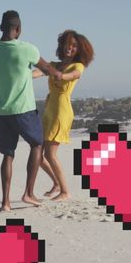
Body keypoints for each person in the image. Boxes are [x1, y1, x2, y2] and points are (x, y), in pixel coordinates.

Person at [0, 10, 63, 212]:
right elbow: (48, 69)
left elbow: (12, 73)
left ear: (0, 27)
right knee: (37, 145)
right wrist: (59, 73)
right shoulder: (27, 49)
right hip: (23, 110)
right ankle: (29, 193)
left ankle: (5, 203)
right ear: (18, 29)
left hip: (0, 111)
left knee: (8, 154)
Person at [35, 30, 94, 201]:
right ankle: (57, 184)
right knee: (37, 155)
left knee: (50, 154)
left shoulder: (78, 66)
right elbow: (39, 72)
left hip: (62, 110)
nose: (70, 48)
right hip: (49, 109)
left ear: (79, 50)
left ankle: (65, 191)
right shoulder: (55, 64)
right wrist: (22, 76)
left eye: (74, 46)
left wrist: (60, 75)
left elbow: (73, 75)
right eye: (68, 44)